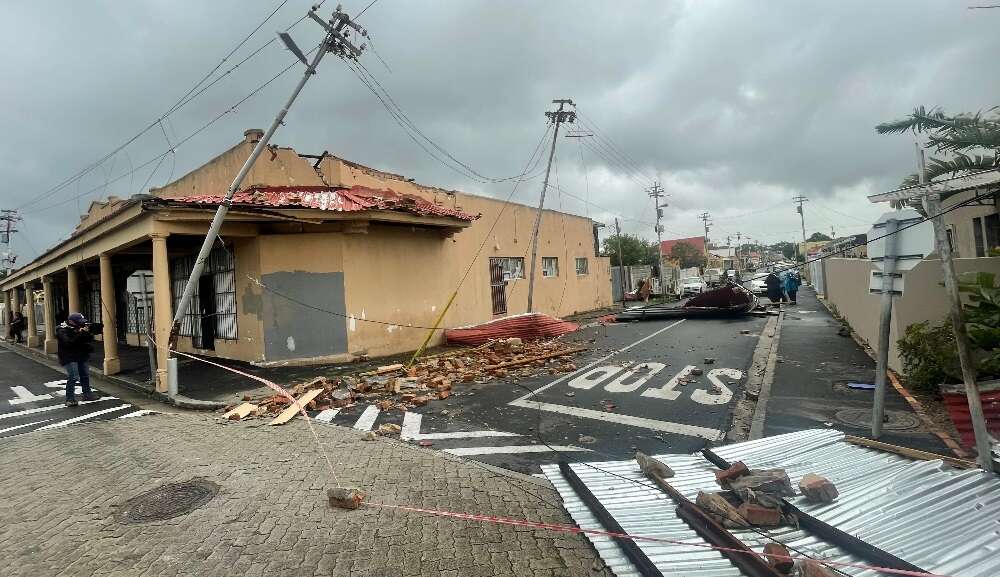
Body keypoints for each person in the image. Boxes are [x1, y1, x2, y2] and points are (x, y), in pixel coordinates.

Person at [56, 313, 98, 407]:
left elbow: (88, 340)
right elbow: (69, 342)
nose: (81, 324)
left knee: (85, 375)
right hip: (69, 356)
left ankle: (87, 394)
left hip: (81, 354)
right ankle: (70, 399)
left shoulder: (80, 327)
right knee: (73, 376)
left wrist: (87, 332)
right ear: (71, 321)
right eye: (79, 322)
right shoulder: (62, 329)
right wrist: (80, 333)